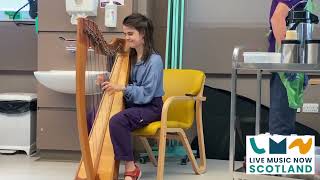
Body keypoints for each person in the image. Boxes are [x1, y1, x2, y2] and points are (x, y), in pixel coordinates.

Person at [100, 13, 164, 180]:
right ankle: (100, 160)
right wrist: (107, 81)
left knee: (117, 120)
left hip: (151, 107)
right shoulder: (131, 57)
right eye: (124, 33)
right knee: (93, 115)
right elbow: (123, 83)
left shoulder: (154, 61)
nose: (126, 38)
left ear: (143, 34)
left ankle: (131, 167)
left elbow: (146, 94)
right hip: (134, 105)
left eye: (130, 34)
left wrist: (121, 87)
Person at [269, 0, 305, 135]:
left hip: (294, 62)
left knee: (286, 122)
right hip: (286, 66)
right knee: (281, 127)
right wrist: (288, 59)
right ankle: (278, 154)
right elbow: (277, 19)